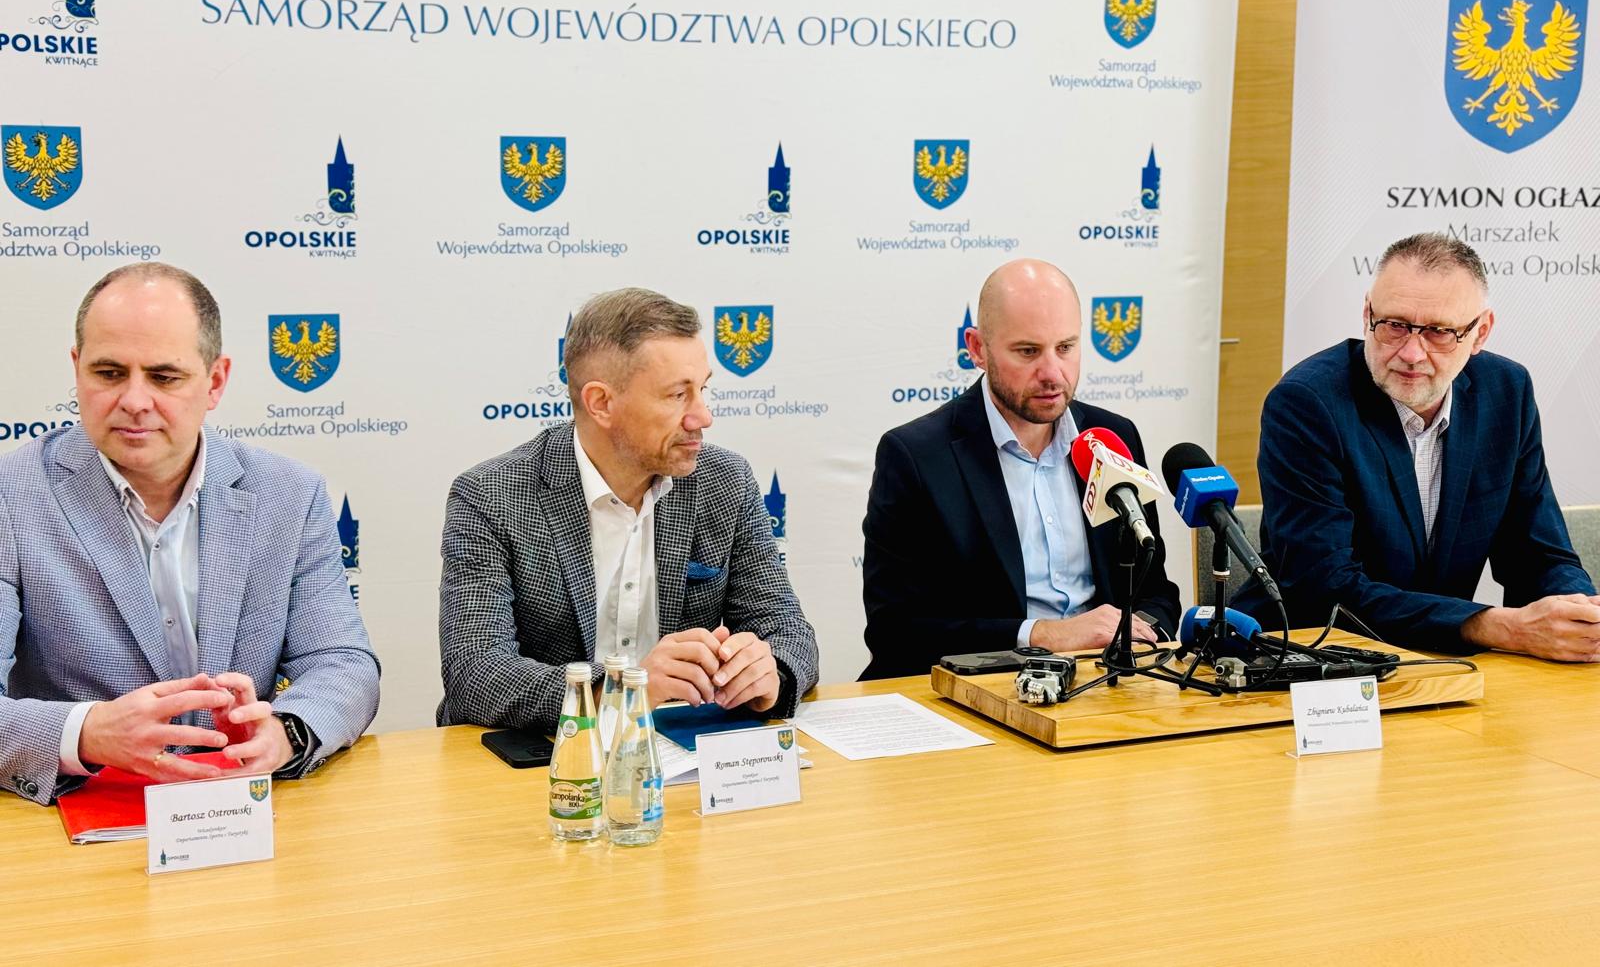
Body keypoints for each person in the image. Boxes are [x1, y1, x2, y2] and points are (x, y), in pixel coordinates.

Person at [0, 265, 380, 805]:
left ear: (215, 381)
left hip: (244, 809)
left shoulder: (290, 494)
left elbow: (343, 662)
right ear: (77, 368)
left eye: (164, 377)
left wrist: (283, 734)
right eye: (109, 373)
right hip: (82, 814)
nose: (135, 400)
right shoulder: (11, 497)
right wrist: (87, 733)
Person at [437, 287, 819, 731]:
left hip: (678, 747)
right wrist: (622, 690)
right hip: (542, 751)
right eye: (677, 395)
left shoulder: (724, 481)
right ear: (601, 403)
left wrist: (769, 673)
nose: (703, 417)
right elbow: (475, 672)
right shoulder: (491, 495)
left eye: (703, 390)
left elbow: (788, 630)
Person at [1237, 232, 1598, 659]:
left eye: (1439, 332)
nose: (1411, 353)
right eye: (1394, 326)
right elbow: (1324, 588)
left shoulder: (1506, 391)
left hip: (1444, 664)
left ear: (1480, 333)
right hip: (1319, 659)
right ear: (1367, 314)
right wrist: (1493, 626)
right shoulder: (1308, 403)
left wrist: (1581, 617)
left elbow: (1539, 555)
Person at [860, 259, 1182, 679]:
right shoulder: (916, 456)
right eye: (1028, 352)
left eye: (1065, 348)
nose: (1052, 374)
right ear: (977, 348)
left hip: (1108, 682)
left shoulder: (1112, 437)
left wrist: (1139, 635)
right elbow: (895, 631)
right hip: (985, 687)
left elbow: (1155, 591)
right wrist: (1042, 635)